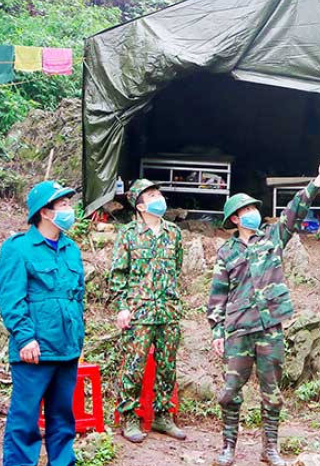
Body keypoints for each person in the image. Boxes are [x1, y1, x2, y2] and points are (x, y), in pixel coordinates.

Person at [207, 153, 320, 466]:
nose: (253, 212)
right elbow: (217, 294)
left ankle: (270, 449)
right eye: (246, 210)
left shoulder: (273, 237)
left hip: (270, 329)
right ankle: (228, 448)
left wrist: (319, 179)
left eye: (254, 207)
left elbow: (296, 211)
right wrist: (217, 330)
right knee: (230, 392)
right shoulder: (226, 252)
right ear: (235, 220)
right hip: (239, 330)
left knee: (272, 394)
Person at [0, 180, 85, 466]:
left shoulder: (71, 248)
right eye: (63, 205)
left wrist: (77, 340)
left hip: (66, 349)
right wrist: (24, 338)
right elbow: (11, 299)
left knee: (63, 418)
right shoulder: (19, 248)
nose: (69, 210)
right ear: (45, 212)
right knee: (25, 419)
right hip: (33, 351)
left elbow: (77, 297)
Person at [109, 179, 186, 443]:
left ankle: (163, 416)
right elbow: (118, 275)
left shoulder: (174, 233)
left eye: (158, 193)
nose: (158, 198)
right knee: (134, 367)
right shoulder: (128, 234)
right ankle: (130, 418)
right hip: (138, 312)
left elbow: (176, 268)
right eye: (151, 195)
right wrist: (123, 307)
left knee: (167, 366)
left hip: (168, 311)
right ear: (140, 206)